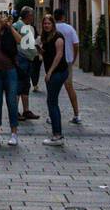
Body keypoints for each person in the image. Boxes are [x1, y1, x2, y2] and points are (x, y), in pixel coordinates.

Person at [0, 11, 21, 148]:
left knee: (12, 102)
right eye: (0, 18)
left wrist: (10, 26)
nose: (2, 20)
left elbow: (20, 40)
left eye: (4, 18)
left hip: (10, 71)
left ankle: (14, 133)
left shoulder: (10, 32)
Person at [39, 12, 69, 147]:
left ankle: (57, 135)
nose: (46, 25)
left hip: (58, 72)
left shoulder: (58, 37)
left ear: (53, 24)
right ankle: (57, 133)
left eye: (49, 23)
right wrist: (40, 51)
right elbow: (48, 54)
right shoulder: (46, 37)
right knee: (52, 102)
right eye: (45, 23)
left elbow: (59, 55)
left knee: (52, 102)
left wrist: (49, 72)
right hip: (54, 73)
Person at [53, 8, 81, 125]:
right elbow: (76, 44)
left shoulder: (52, 28)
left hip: (54, 63)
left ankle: (52, 114)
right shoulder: (70, 29)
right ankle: (76, 114)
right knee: (70, 88)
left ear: (55, 17)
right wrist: (74, 58)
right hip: (67, 61)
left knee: (53, 90)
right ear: (64, 16)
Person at [14, 8, 40, 123]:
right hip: (21, 58)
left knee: (26, 85)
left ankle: (26, 110)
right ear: (26, 16)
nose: (33, 17)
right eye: (31, 15)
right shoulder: (17, 25)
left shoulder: (29, 27)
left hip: (28, 58)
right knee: (19, 85)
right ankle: (14, 111)